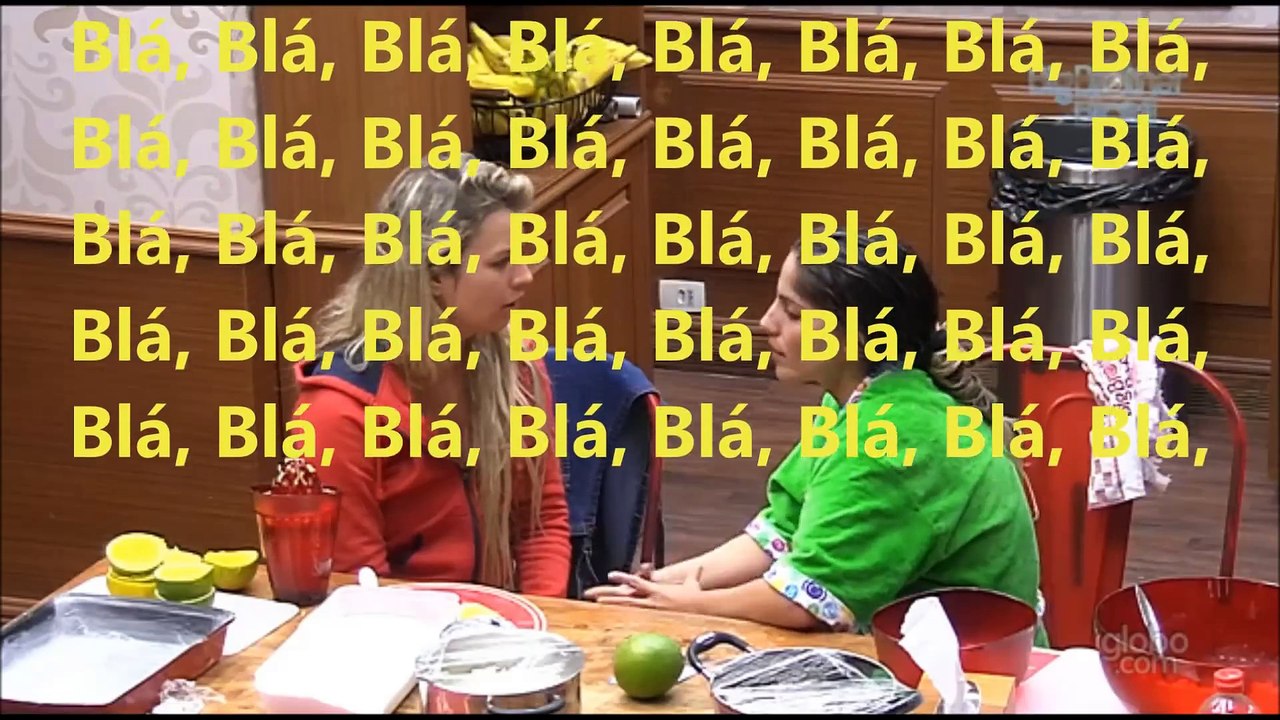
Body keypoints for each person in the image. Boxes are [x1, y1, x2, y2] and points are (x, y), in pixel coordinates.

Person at [586, 230, 1046, 643]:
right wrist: (663, 585)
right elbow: (784, 530)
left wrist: (690, 605)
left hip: (974, 674)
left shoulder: (891, 440)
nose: (767, 322)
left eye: (792, 313)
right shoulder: (860, 395)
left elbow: (810, 600)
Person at [289, 156, 571, 597]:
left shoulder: (519, 369)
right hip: (397, 629)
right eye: (502, 263)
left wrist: (538, 620)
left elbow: (540, 525)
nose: (525, 278)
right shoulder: (336, 416)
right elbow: (362, 591)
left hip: (499, 627)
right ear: (435, 275)